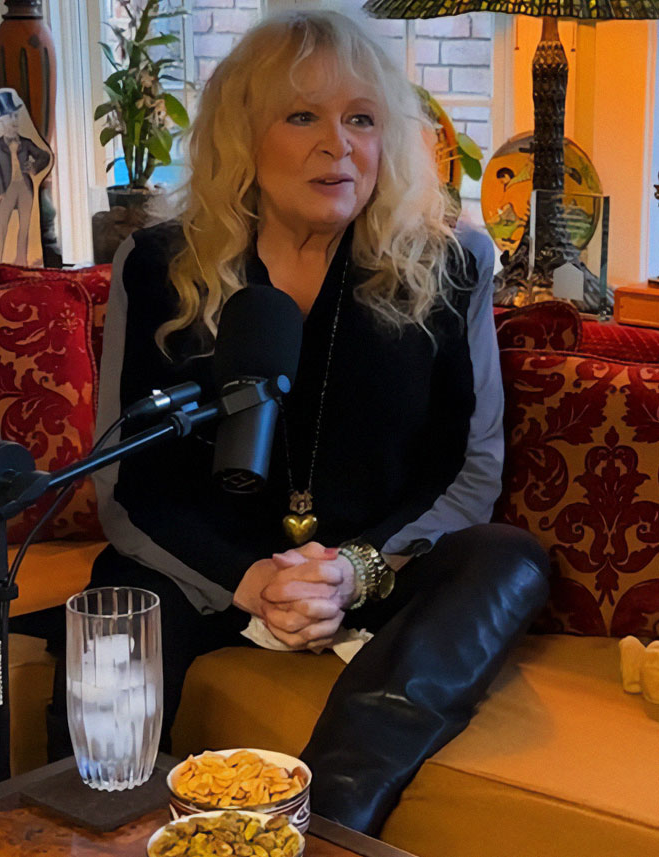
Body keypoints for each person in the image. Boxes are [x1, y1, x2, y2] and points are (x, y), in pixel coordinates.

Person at [49, 8, 550, 835]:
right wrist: (249, 578)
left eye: (361, 118)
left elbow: (472, 467)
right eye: (302, 115)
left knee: (509, 558)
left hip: (377, 575)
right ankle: (83, 830)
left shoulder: (453, 262)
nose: (339, 144)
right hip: (211, 574)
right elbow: (128, 484)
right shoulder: (161, 265)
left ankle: (328, 823)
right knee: (116, 611)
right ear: (244, 137)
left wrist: (354, 570)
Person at [0, 90, 51, 266]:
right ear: (1, 120)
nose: (14, 121)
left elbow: (45, 156)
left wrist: (34, 167)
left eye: (16, 116)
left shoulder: (26, 143)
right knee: (1, 225)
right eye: (9, 117)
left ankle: (22, 260)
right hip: (7, 189)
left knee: (25, 226)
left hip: (24, 187)